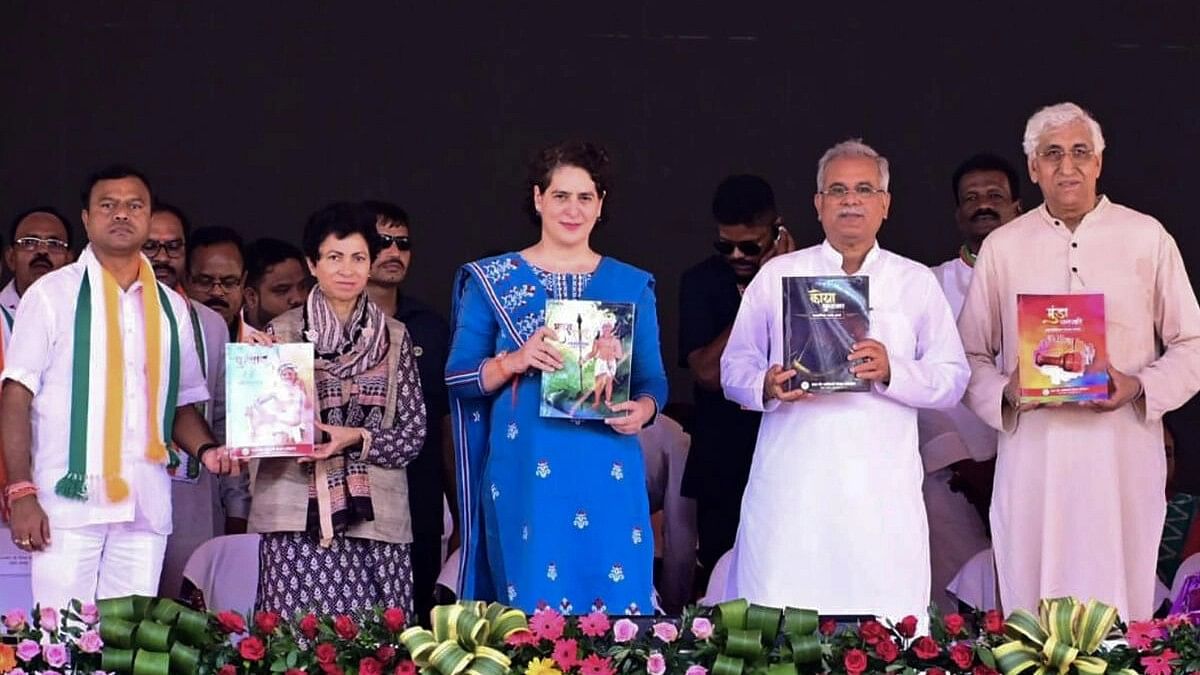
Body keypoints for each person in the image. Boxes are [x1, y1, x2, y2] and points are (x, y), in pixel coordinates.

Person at [958, 102, 1200, 621]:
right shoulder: (1003, 247)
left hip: (1122, 455)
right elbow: (969, 356)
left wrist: (1137, 386)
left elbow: (1192, 344)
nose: (1067, 167)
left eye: (1079, 153)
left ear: (1098, 163)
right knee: (1032, 604)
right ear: (1033, 169)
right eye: (1052, 154)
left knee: (1119, 602)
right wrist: (1008, 391)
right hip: (1034, 459)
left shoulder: (1147, 237)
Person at [720, 139, 968, 619]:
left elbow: (952, 378)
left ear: (885, 204)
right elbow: (734, 368)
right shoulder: (778, 276)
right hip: (794, 487)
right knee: (783, 626)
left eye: (863, 189)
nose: (850, 200)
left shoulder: (914, 281)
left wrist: (894, 369)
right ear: (818, 204)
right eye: (837, 190)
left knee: (882, 630)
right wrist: (767, 384)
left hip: (879, 494)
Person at [0, 165, 239, 607]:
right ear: (87, 219)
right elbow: (16, 395)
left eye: (134, 205)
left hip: (145, 504)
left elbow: (182, 403)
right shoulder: (53, 294)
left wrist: (208, 451)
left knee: (128, 645)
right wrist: (20, 492)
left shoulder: (171, 307)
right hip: (66, 504)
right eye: (108, 205)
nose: (121, 215)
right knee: (62, 645)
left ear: (148, 219)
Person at [446, 140, 668, 614]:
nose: (573, 209)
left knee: (614, 618)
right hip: (527, 473)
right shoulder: (493, 280)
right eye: (561, 196)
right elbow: (459, 376)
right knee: (531, 616)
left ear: (601, 205)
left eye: (585, 197)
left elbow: (654, 380)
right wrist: (513, 361)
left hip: (608, 468)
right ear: (537, 198)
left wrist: (644, 410)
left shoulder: (632, 284)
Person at [247, 201, 426, 616]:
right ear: (313, 263)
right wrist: (254, 371)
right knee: (295, 649)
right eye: (334, 257)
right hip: (296, 518)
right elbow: (259, 434)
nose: (347, 270)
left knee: (373, 650)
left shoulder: (395, 337)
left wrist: (355, 439)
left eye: (358, 258)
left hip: (376, 518)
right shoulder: (280, 335)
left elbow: (412, 436)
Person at [920, 153, 1022, 612]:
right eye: (971, 199)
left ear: (1018, 206)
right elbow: (922, 382)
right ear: (959, 213)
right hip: (953, 474)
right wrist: (964, 462)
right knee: (956, 614)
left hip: (1032, 463)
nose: (983, 205)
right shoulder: (931, 285)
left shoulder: (1052, 278)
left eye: (995, 196)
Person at [679, 175, 793, 584]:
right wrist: (754, 295)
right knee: (723, 580)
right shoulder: (701, 282)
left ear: (777, 230)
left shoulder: (806, 277)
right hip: (722, 459)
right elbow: (708, 373)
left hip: (790, 452)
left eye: (750, 245)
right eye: (725, 245)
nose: (737, 255)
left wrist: (781, 277)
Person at [146, 201, 251, 597]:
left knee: (187, 624)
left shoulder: (208, 324)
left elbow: (225, 422)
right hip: (121, 498)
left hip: (192, 501)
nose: (161, 257)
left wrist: (237, 511)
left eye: (172, 247)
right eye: (150, 246)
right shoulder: (99, 315)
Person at [363, 200, 452, 626]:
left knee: (414, 617)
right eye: (382, 242)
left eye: (403, 243)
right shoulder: (320, 324)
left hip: (419, 494)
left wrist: (461, 516)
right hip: (351, 494)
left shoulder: (430, 326)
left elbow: (447, 421)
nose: (394, 252)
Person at [637, 413, 697, 614]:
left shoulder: (672, 435)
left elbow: (679, 533)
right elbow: (679, 535)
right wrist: (674, 613)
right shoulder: (672, 433)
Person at [1, 207, 75, 315]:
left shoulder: (88, 316)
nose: (42, 250)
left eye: (54, 244)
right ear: (11, 258)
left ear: (69, 261)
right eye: (29, 242)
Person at [184, 226, 250, 342]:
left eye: (229, 283)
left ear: (243, 283)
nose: (217, 292)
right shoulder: (170, 338)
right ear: (186, 280)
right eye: (205, 282)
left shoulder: (257, 346)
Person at [242, 238, 309, 331]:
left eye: (302, 287)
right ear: (251, 297)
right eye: (282, 290)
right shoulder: (224, 339)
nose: (298, 299)